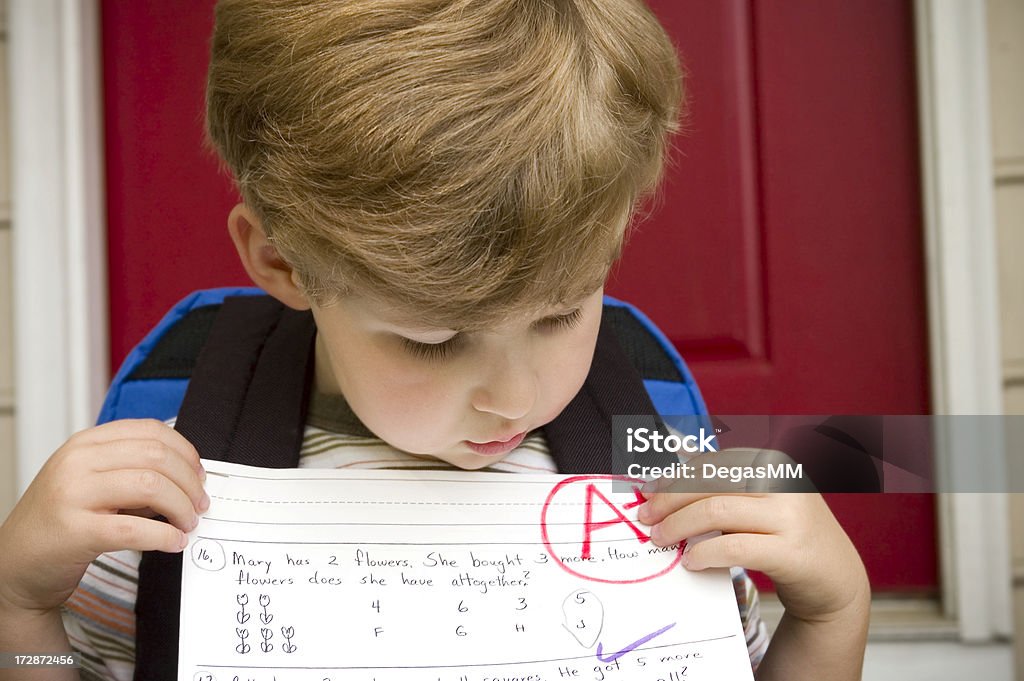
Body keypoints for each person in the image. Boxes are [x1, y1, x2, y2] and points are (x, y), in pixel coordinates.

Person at [0, 1, 870, 680]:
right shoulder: (179, 488)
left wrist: (831, 614)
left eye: (562, 312)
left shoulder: (646, 462)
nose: (514, 396)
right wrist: (20, 608)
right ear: (283, 261)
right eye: (431, 341)